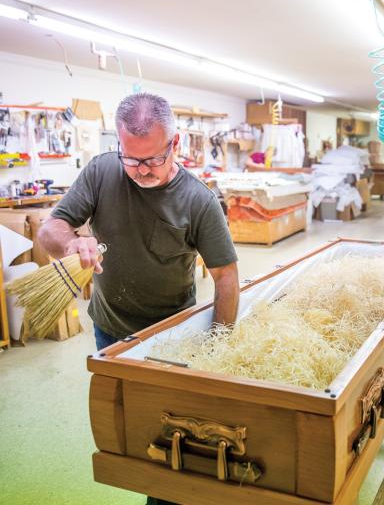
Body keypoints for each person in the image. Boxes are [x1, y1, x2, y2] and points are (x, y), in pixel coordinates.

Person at [39, 93, 239, 505]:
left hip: (170, 338)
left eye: (152, 160)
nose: (140, 171)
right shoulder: (101, 173)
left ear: (176, 144)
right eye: (131, 159)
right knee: (126, 428)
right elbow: (49, 229)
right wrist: (73, 242)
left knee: (171, 437)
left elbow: (226, 276)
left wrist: (219, 347)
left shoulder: (198, 200)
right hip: (110, 329)